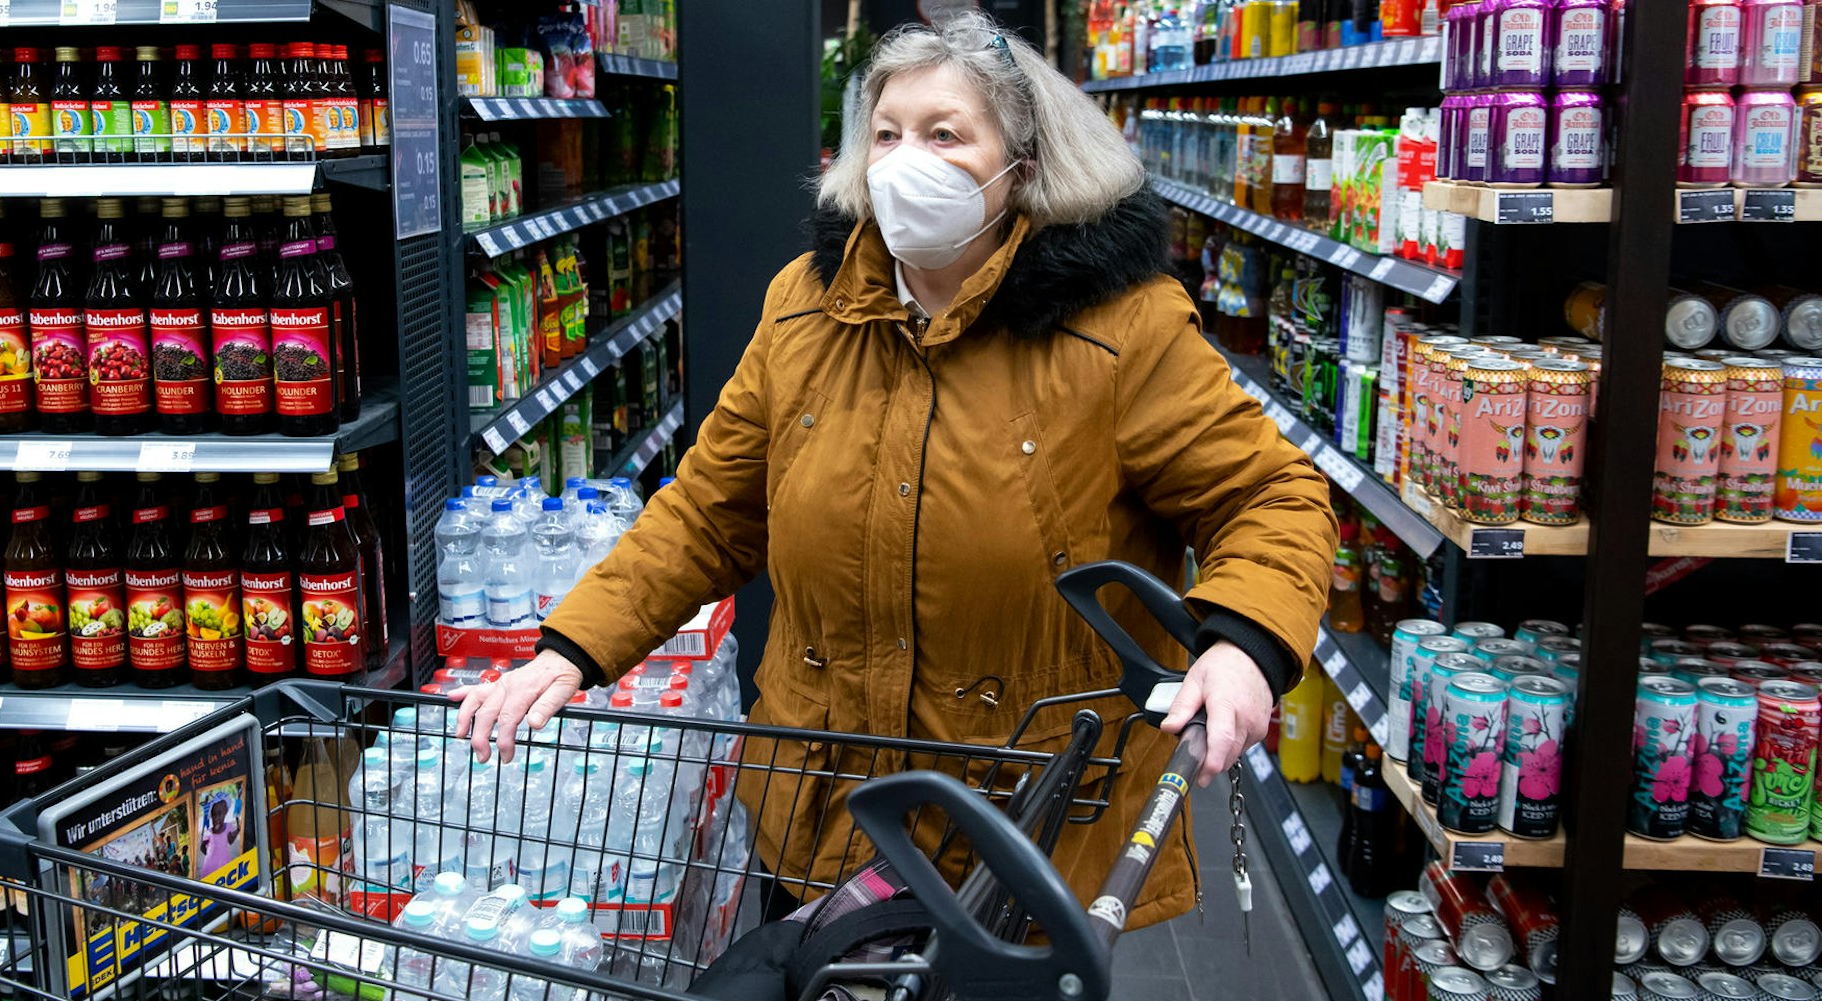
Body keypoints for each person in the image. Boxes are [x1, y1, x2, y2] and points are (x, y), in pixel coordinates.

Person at [452, 11, 1333, 931]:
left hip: (1023, 834)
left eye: (943, 134)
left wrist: (1243, 643)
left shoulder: (1122, 328)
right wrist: (572, 646)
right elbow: (710, 509)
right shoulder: (804, 306)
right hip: (822, 812)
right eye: (885, 133)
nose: (903, 158)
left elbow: (1270, 495)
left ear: (1021, 168)